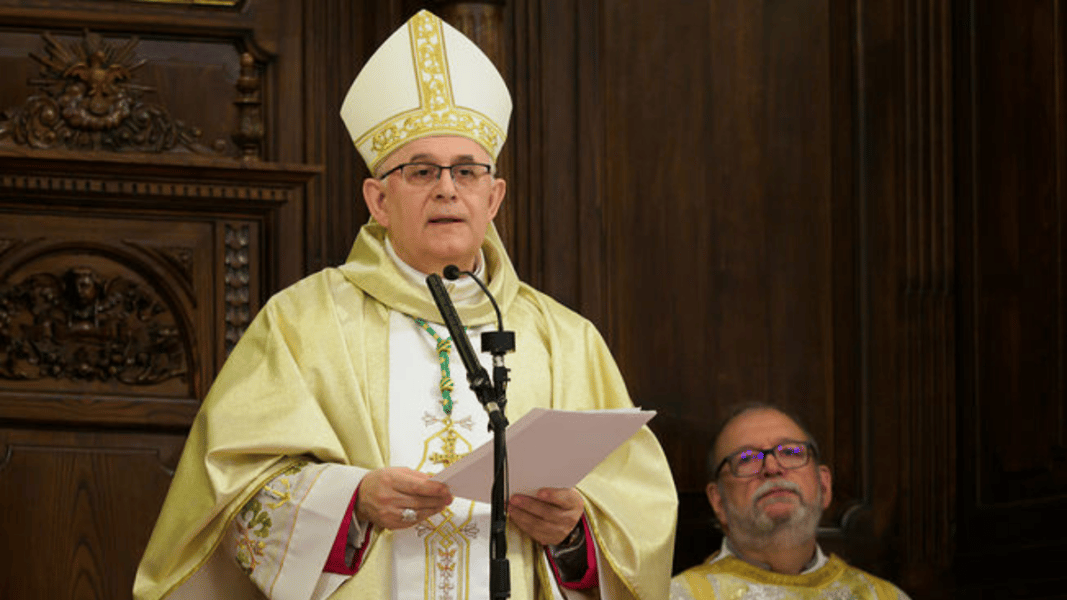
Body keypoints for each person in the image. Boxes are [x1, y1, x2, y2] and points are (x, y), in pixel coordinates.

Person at [133, 9, 677, 600]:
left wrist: (572, 537)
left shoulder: (565, 339)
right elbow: (231, 494)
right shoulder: (302, 322)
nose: (447, 187)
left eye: (467, 171)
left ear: (493, 198)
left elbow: (638, 516)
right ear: (379, 199)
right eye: (421, 170)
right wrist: (353, 503)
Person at [670, 403, 911, 599]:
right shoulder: (678, 595)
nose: (772, 468)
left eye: (791, 452)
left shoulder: (883, 596)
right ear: (718, 502)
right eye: (746, 458)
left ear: (824, 486)